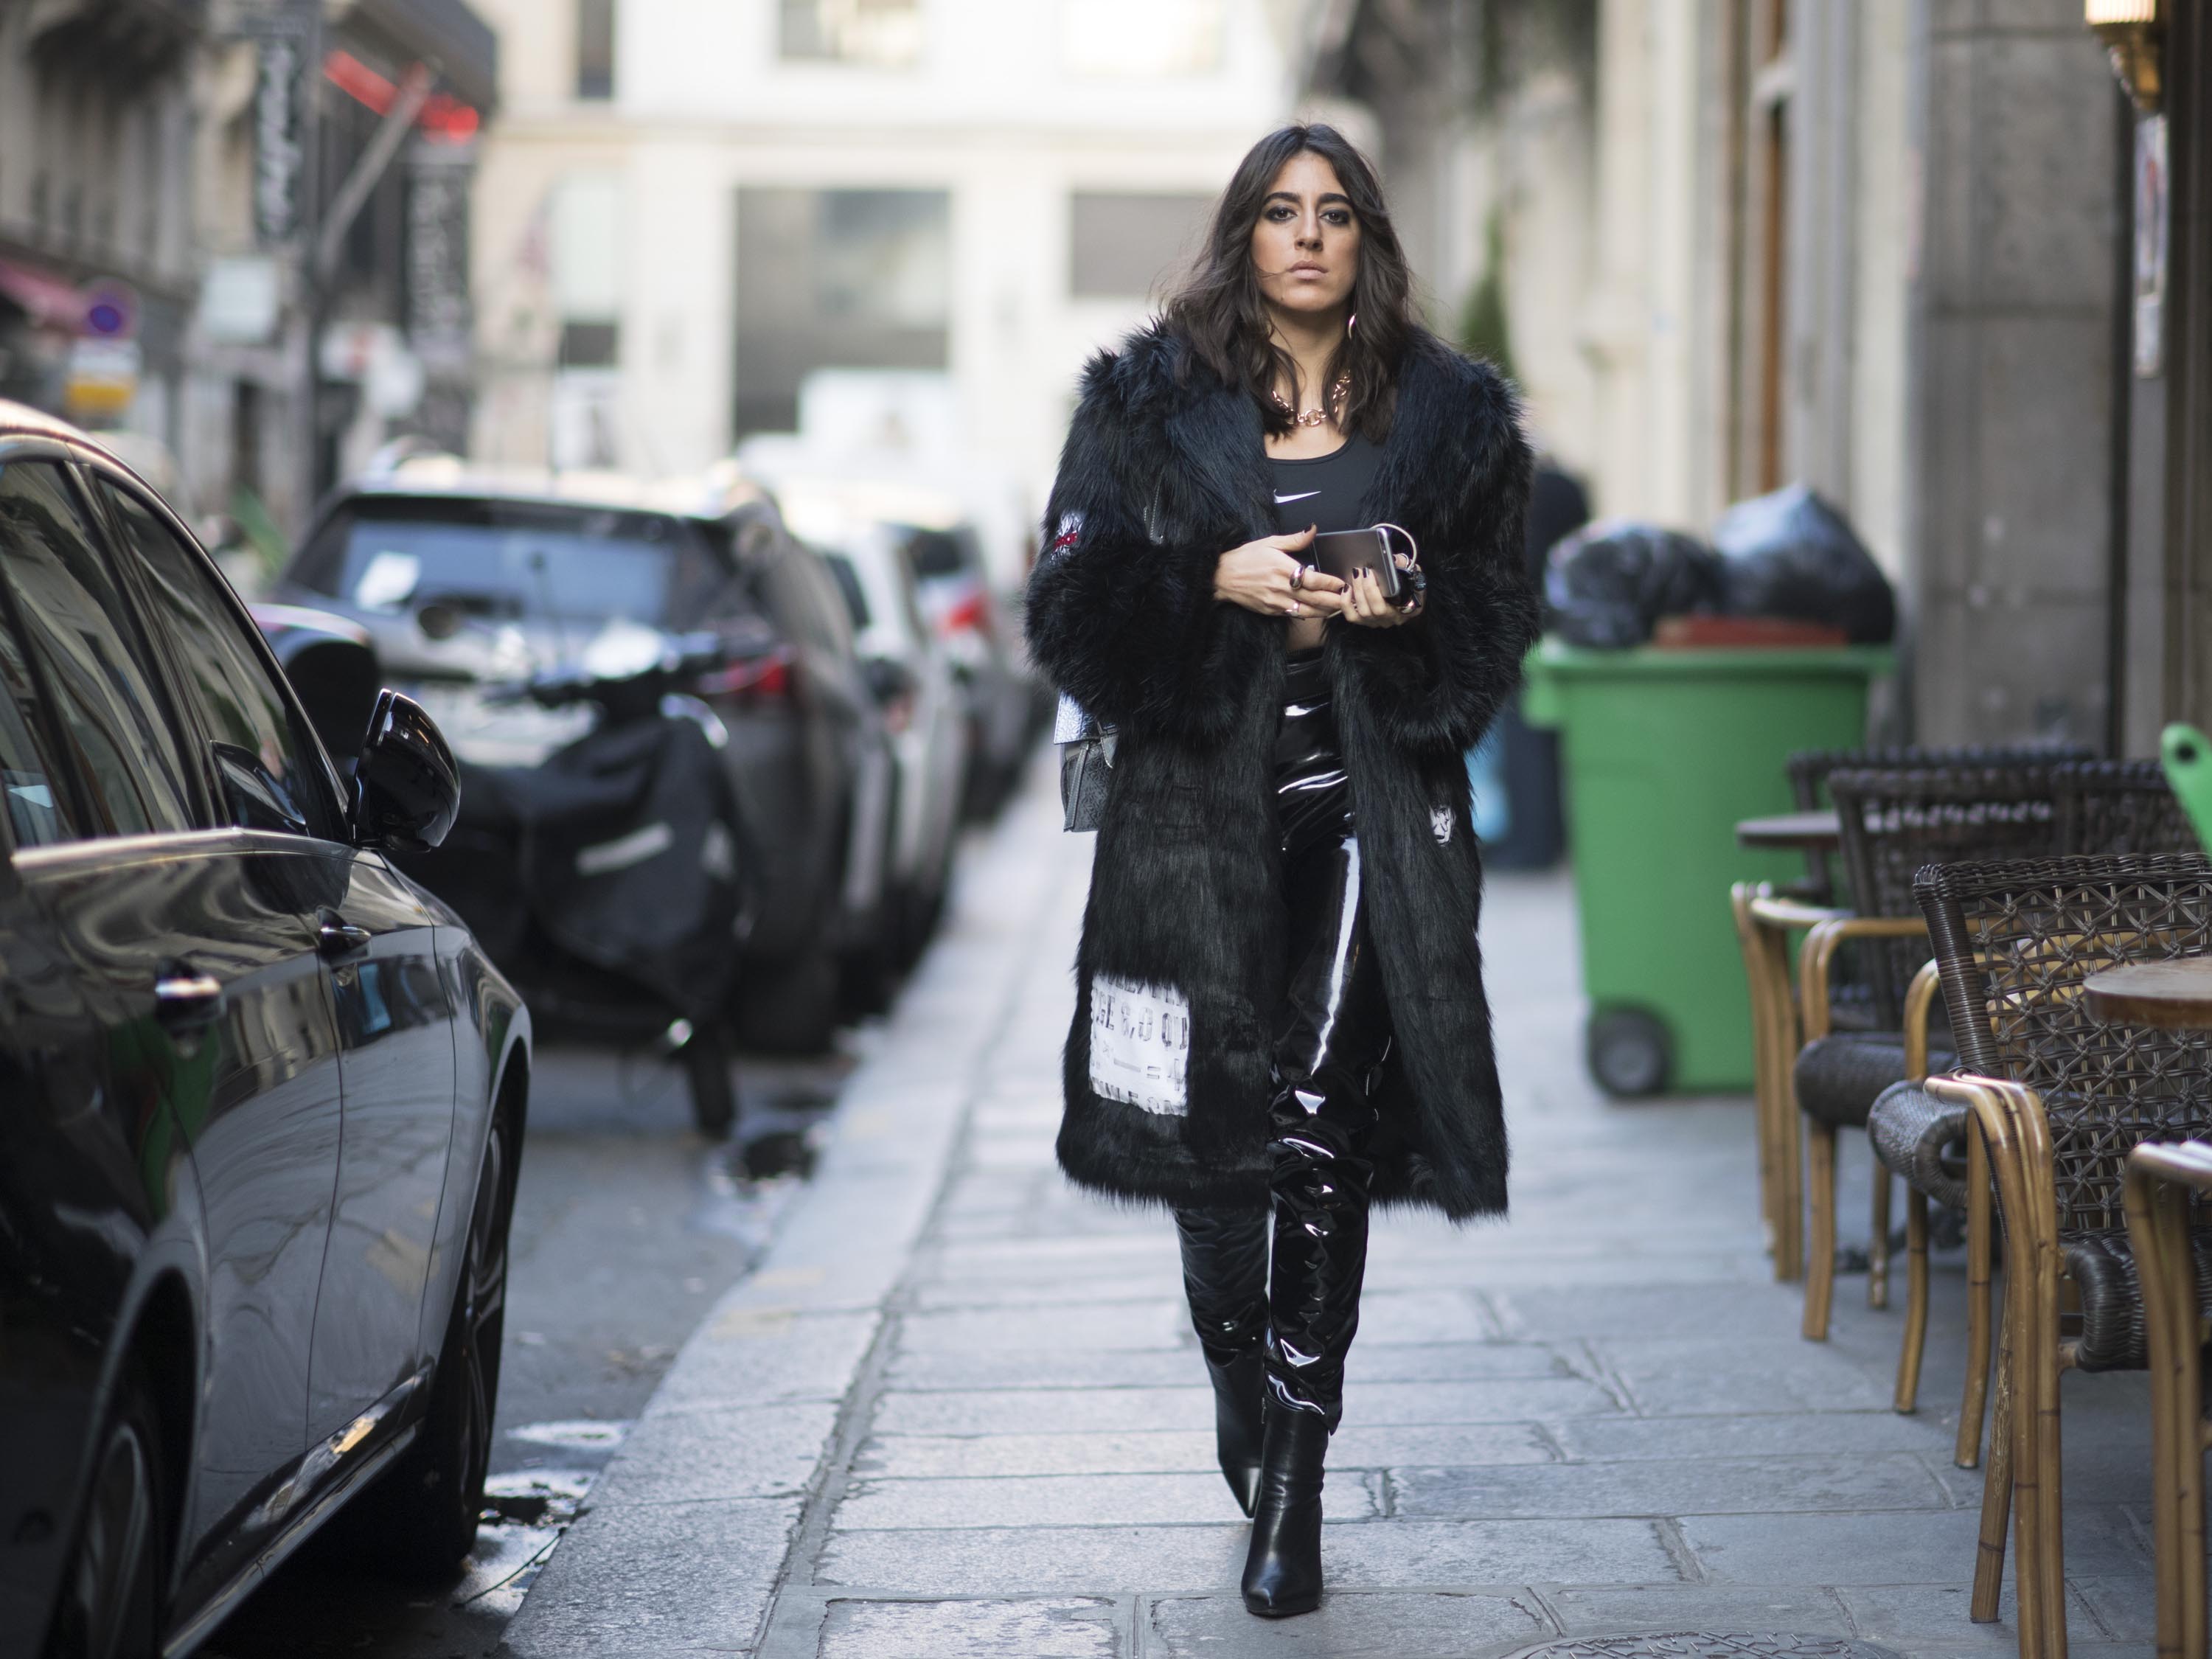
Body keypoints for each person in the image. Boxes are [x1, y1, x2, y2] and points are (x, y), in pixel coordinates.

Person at [1024, 123, 1536, 1618]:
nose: (1307, 237)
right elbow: (1065, 599)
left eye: (1335, 213)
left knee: (1321, 1125)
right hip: (1197, 807)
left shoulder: (1451, 417)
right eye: (1279, 213)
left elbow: (1501, 613)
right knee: (1208, 1141)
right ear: (1242, 234)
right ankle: (1240, 1378)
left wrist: (1412, 599)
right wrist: (1208, 580)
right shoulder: (1144, 402)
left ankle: (1294, 1490)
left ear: (1367, 236)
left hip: (1374, 796)